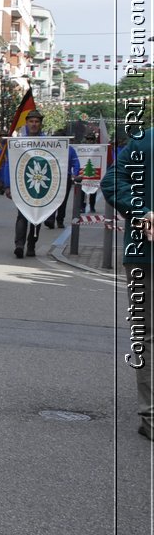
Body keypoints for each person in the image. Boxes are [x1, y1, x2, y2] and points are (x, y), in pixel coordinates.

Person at [98, 124, 153, 440]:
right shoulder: (145, 142)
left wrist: (140, 211)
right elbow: (112, 181)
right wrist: (143, 212)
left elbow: (113, 181)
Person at [10, 108, 47, 258]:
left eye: (37, 121)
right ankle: (19, 244)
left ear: (40, 124)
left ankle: (32, 244)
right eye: (31, 121)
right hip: (22, 183)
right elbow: (9, 163)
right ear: (26, 123)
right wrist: (7, 185)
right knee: (22, 215)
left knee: (37, 217)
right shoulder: (18, 142)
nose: (34, 124)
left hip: (41, 183)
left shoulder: (49, 143)